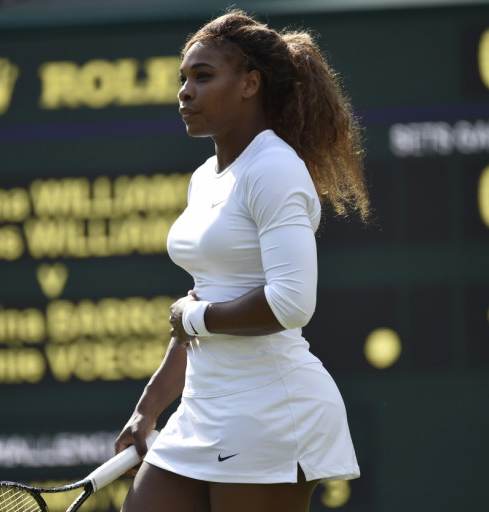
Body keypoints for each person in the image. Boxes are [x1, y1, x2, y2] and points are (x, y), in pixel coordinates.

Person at [114, 9, 370, 512]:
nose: (185, 92)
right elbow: (201, 303)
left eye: (203, 77)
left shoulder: (274, 168)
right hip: (201, 410)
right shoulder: (205, 176)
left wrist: (195, 317)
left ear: (251, 84)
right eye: (182, 79)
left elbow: (291, 303)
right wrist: (148, 408)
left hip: (268, 413)